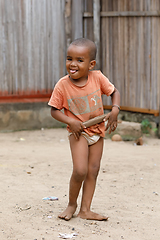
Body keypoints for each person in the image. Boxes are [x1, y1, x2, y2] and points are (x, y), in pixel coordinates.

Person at [48, 38, 120, 221]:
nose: (73, 64)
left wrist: (115, 109)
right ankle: (72, 204)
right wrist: (70, 121)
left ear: (91, 64)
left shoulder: (97, 78)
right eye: (69, 58)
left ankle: (85, 209)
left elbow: (114, 93)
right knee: (80, 170)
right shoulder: (62, 85)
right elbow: (54, 111)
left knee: (93, 170)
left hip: (97, 131)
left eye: (80, 60)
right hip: (78, 133)